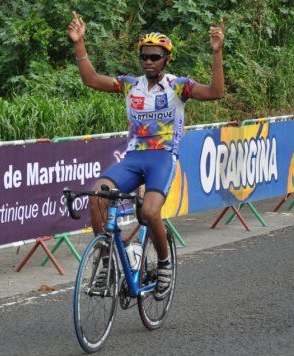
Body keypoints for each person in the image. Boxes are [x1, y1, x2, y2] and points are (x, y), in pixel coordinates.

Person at [68, 11, 225, 300]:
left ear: (166, 59)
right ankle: (107, 263)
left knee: (151, 212)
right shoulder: (131, 85)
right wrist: (79, 43)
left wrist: (217, 52)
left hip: (162, 157)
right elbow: (91, 79)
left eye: (155, 57)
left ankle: (164, 263)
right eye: (145, 57)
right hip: (133, 158)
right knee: (96, 196)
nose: (149, 61)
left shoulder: (179, 86)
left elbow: (216, 92)